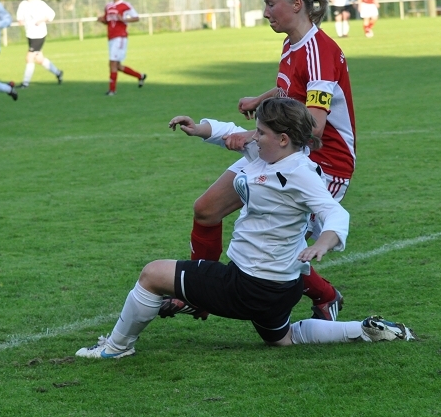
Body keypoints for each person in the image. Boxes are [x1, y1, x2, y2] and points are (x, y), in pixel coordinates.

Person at [75, 98, 415, 359]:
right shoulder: (271, 153)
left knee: (152, 275)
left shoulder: (299, 172)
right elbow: (231, 134)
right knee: (282, 339)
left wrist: (323, 243)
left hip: (250, 285)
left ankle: (116, 348)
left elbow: (335, 213)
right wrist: (200, 128)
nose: (254, 136)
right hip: (282, 288)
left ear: (283, 138)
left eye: (261, 132)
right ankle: (366, 330)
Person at [171, 0, 356, 323]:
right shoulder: (292, 43)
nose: (266, 12)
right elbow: (292, 91)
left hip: (321, 161)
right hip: (279, 150)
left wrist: (254, 135)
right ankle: (201, 291)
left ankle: (326, 295)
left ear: (296, 4)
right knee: (206, 209)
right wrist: (263, 97)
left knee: (276, 251)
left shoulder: (319, 53)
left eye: (271, 4)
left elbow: (314, 127)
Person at [98, 0, 146, 96]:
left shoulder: (125, 5)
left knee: (112, 63)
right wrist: (102, 20)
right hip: (110, 37)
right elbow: (108, 21)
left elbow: (136, 18)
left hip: (120, 37)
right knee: (117, 66)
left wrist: (123, 19)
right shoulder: (108, 6)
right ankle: (140, 76)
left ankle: (112, 90)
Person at [16, 0, 63, 88]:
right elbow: (19, 17)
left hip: (39, 34)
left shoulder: (39, 3)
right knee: (39, 59)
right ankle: (58, 73)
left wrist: (42, 20)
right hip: (30, 35)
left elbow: (51, 14)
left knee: (29, 57)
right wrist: (20, 20)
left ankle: (25, 83)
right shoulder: (23, 4)